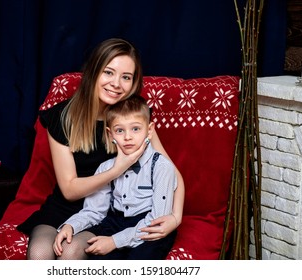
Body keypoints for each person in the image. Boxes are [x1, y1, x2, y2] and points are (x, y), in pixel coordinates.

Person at [16, 38, 185, 260]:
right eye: (108, 72)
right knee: (39, 254)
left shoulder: (131, 119)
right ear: (94, 71)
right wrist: (117, 169)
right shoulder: (61, 117)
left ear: (133, 83)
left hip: (108, 213)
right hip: (67, 208)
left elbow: (169, 169)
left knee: (71, 253)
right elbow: (69, 189)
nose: (116, 83)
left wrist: (176, 217)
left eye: (126, 77)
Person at [54, 95, 177, 259]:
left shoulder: (161, 167)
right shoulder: (106, 168)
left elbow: (158, 221)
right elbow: (94, 211)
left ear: (149, 129)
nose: (127, 137)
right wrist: (71, 225)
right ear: (110, 134)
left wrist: (114, 241)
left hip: (149, 228)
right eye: (120, 130)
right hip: (115, 223)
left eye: (135, 129)